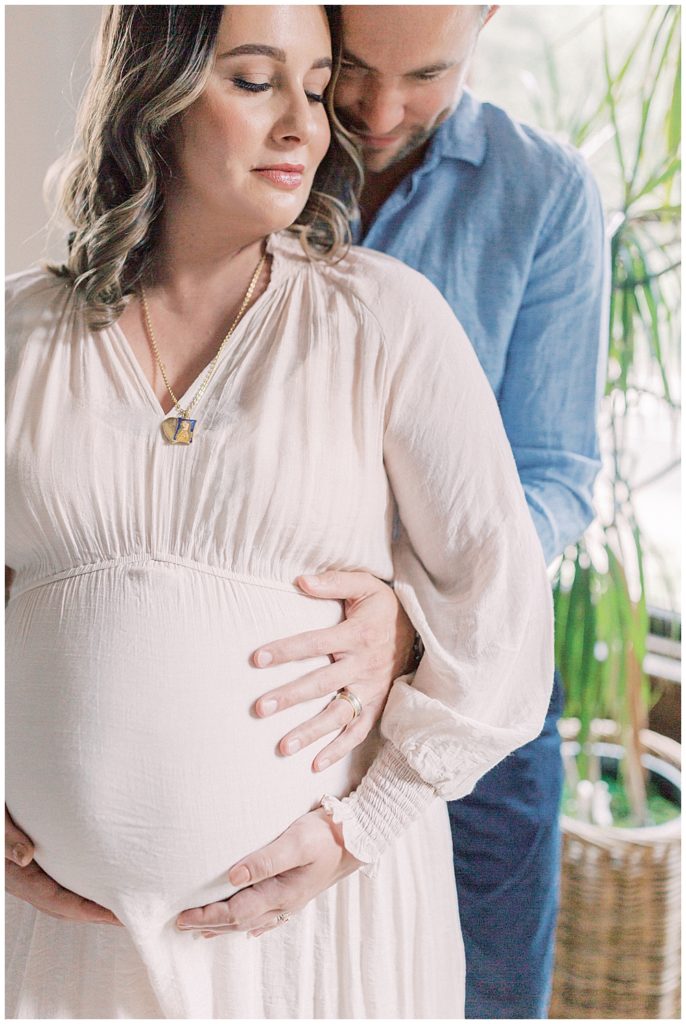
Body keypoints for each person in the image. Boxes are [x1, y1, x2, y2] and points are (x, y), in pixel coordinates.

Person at [5, 5, 553, 1019]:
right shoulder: (19, 336)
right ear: (152, 92)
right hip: (65, 945)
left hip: (320, 934)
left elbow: (502, 613)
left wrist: (359, 829)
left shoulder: (384, 320)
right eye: (256, 82)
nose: (306, 125)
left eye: (313, 87)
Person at [157, 5, 607, 1020]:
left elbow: (555, 472)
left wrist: (413, 614)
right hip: (280, 693)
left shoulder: (542, 194)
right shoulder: (246, 147)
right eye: (351, 69)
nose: (378, 110)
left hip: (471, 686)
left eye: (427, 76)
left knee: (486, 995)